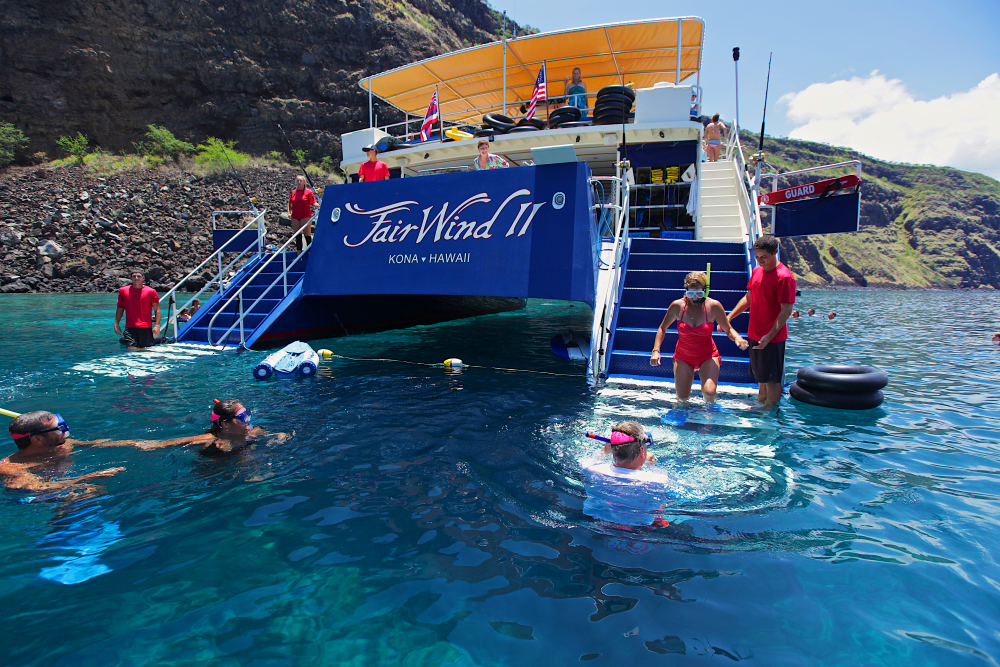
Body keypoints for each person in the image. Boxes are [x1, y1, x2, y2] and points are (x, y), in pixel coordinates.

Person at [650, 271, 748, 403]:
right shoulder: (677, 306)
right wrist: (656, 351)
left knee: (709, 393)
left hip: (707, 355)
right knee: (682, 399)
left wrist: (738, 338)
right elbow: (662, 328)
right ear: (686, 291)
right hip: (683, 356)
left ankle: (710, 414)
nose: (695, 298)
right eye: (691, 294)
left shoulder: (713, 306)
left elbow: (728, 329)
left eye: (699, 294)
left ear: (705, 291)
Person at [725, 235, 796, 408]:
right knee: (761, 374)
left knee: (772, 378)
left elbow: (786, 310)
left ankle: (770, 408)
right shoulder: (757, 271)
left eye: (764, 257)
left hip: (772, 337)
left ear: (775, 252)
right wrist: (729, 317)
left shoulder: (784, 277)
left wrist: (769, 336)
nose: (759, 260)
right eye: (757, 256)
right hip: (755, 333)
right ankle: (761, 401)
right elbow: (748, 298)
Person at [107, 399, 290, 456]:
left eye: (247, 413)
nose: (248, 419)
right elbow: (154, 444)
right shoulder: (208, 440)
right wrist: (96, 443)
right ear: (225, 424)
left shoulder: (253, 431)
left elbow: (277, 435)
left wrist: (280, 436)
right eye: (243, 417)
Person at [2, 411, 124, 494]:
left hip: (62, 484)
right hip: (30, 496)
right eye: (59, 429)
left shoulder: (63, 445)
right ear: (37, 439)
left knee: (91, 490)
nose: (65, 431)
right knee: (87, 491)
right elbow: (37, 487)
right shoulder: (12, 467)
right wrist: (90, 477)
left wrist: (131, 443)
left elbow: (97, 443)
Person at [114, 270, 161, 350]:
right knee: (130, 348)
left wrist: (157, 325)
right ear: (130, 278)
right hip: (130, 326)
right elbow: (120, 308)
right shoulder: (123, 291)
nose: (136, 278)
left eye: (138, 276)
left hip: (145, 326)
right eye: (134, 276)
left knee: (146, 349)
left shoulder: (151, 291)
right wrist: (116, 323)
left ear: (143, 278)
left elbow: (156, 310)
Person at [287, 174, 318, 253]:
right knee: (298, 236)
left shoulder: (309, 192)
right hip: (295, 216)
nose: (299, 182)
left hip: (305, 216)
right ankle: (299, 255)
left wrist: (317, 204)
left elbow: (313, 202)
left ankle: (310, 254)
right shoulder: (294, 192)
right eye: (297, 181)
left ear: (304, 182)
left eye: (300, 181)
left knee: (307, 236)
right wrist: (289, 212)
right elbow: (290, 202)